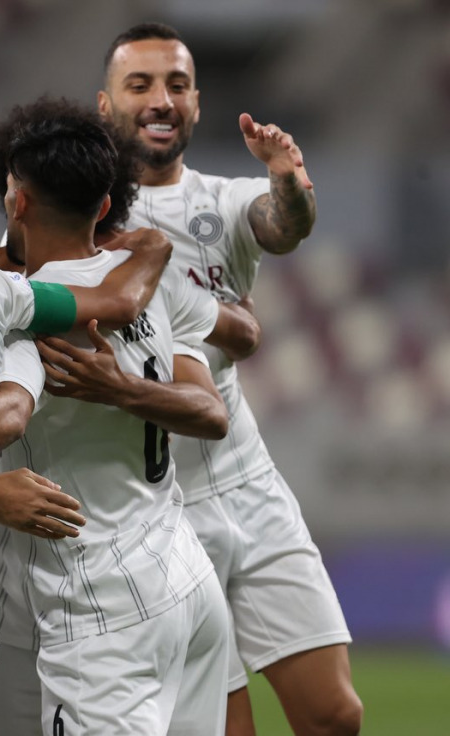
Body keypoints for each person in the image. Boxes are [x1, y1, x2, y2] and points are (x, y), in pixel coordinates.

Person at [99, 22, 361, 735]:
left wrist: (289, 184)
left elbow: (283, 224)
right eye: (141, 84)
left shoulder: (225, 198)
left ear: (197, 103)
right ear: (105, 105)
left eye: (176, 85)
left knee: (335, 715)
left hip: (247, 481)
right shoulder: (81, 216)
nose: (161, 99)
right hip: (161, 506)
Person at [0, 99, 233, 735]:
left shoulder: (20, 308)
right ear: (103, 204)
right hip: (185, 581)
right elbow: (211, 410)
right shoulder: (146, 278)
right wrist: (126, 389)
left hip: (100, 608)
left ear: (17, 202)